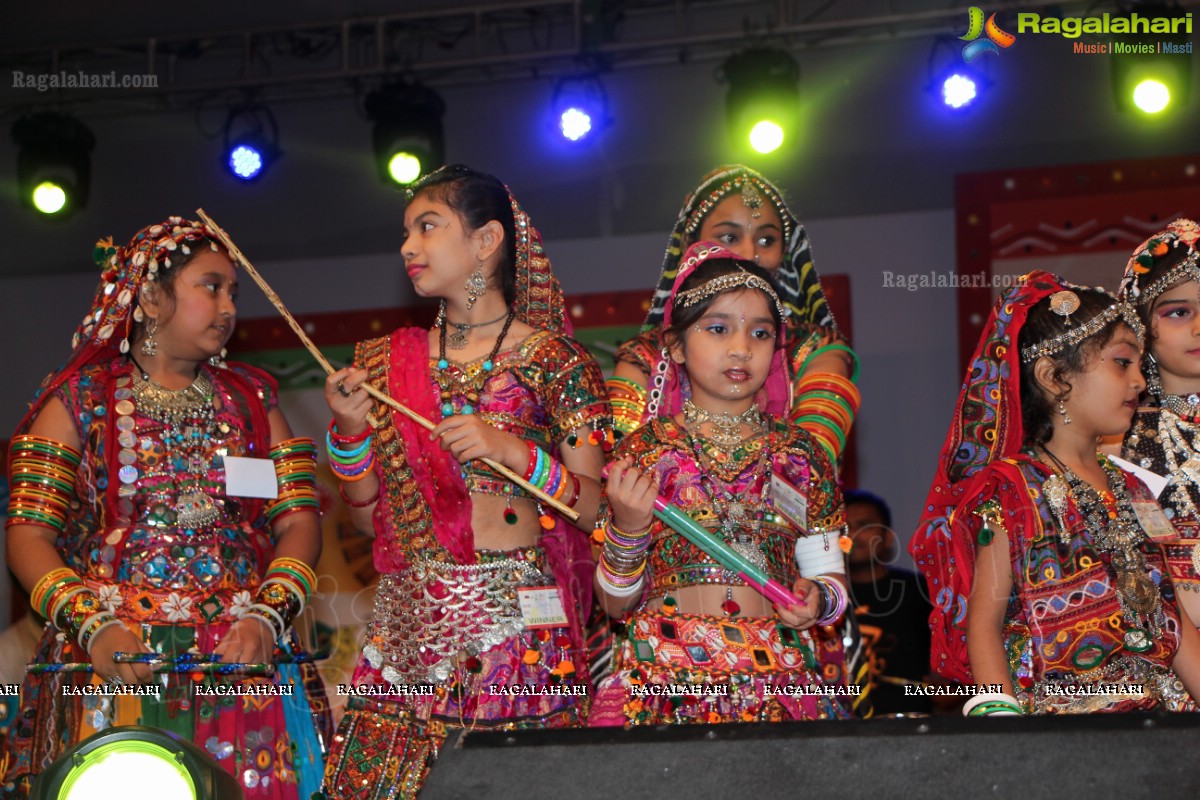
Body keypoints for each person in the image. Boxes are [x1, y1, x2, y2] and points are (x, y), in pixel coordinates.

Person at [2, 217, 331, 799]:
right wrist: (94, 627)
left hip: (240, 660)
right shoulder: (79, 401)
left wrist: (266, 615)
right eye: (211, 286)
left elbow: (299, 522)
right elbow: (28, 536)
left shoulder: (253, 403)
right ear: (151, 298)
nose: (228, 305)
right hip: (117, 659)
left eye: (234, 292)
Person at [319, 165, 611, 799]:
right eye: (405, 232)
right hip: (409, 625)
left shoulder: (556, 362)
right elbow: (370, 522)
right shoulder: (380, 365)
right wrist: (347, 434)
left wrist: (514, 453)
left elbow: (600, 515)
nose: (407, 247)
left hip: (517, 628)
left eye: (428, 227)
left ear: (486, 242)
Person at [912, 271, 1200, 715]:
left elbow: (1171, 617)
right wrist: (1006, 727)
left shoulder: (1133, 485)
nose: (1140, 381)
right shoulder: (1011, 488)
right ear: (1053, 377)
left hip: (1159, 719)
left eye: (1141, 366)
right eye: (1123, 362)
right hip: (1063, 719)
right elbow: (984, 625)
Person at [589, 243, 851, 726]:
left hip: (779, 681)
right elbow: (614, 603)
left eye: (760, 333)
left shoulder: (802, 454)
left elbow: (830, 579)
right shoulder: (644, 452)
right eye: (717, 329)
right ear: (674, 346)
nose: (741, 348)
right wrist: (627, 527)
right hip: (666, 679)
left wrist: (817, 600)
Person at [608, 165, 858, 465]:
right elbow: (618, 464)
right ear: (691, 246)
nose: (750, 252)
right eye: (729, 237)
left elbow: (810, 466)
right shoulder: (646, 355)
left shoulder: (816, 350)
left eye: (767, 240)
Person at [1119, 219, 1200, 628]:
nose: (1199, 327)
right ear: (1142, 329)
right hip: (1163, 650)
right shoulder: (1120, 439)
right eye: (1179, 312)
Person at [843, 490, 933, 715]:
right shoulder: (822, 598)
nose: (854, 535)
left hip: (910, 724)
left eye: (864, 525)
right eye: (844, 528)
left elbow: (952, 679)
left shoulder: (921, 590)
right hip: (839, 727)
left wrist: (950, 692)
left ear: (888, 537)